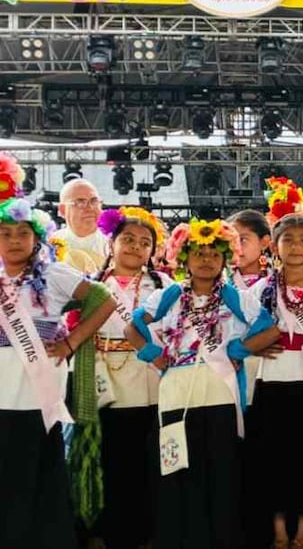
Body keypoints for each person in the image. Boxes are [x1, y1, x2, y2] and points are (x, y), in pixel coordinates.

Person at [126, 217, 278, 549]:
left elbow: (270, 328)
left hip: (219, 389)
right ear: (184, 259)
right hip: (176, 390)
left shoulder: (235, 296)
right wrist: (153, 353)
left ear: (225, 259)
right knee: (176, 466)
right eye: (198, 253)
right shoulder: (169, 295)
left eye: (213, 254)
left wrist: (239, 349)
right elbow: (133, 327)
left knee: (221, 470)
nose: (206, 260)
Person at [0, 162, 117, 549]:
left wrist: (70, 343)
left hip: (38, 390)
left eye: (22, 233)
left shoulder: (53, 275)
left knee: (41, 469)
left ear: (38, 238)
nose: (14, 240)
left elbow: (103, 299)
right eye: (4, 234)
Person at [245, 207, 303, 549]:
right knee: (274, 458)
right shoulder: (262, 289)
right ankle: (279, 529)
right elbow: (240, 334)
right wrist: (256, 348)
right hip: (274, 381)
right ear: (274, 246)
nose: (296, 246)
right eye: (288, 240)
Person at [94, 206, 173, 549]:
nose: (135, 247)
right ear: (112, 243)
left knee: (150, 458)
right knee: (115, 459)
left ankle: (150, 531)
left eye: (144, 242)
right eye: (128, 239)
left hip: (151, 377)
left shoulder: (164, 284)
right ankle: (116, 532)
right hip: (108, 379)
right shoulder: (93, 285)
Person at [52, 177, 111, 273]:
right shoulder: (50, 245)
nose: (89, 208)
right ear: (62, 210)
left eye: (94, 201)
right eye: (80, 203)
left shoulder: (113, 244)